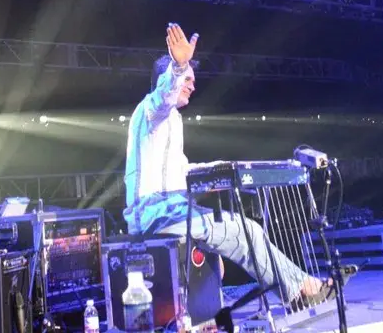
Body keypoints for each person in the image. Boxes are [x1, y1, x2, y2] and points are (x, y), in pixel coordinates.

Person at [124, 22, 338, 310]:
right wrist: (178, 65)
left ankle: (294, 289)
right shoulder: (152, 110)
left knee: (236, 239)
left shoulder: (172, 120)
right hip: (158, 218)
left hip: (174, 214)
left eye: (190, 78)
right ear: (168, 77)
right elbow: (164, 96)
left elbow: (181, 171)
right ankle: (301, 289)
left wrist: (228, 166)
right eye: (187, 78)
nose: (193, 84)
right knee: (245, 230)